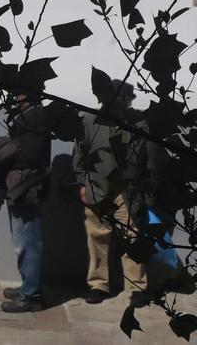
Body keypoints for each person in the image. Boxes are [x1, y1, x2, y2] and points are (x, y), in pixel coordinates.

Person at [0, 94, 51, 313]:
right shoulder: (28, 117)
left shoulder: (36, 118)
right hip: (20, 188)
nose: (13, 97)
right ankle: (28, 287)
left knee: (28, 244)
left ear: (28, 94)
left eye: (18, 92)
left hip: (26, 189)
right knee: (23, 242)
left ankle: (31, 296)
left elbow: (31, 156)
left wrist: (5, 152)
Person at [73, 80, 149, 306]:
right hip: (97, 188)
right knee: (97, 238)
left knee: (133, 237)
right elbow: (79, 154)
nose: (120, 105)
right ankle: (98, 285)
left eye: (124, 100)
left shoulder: (139, 124)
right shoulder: (89, 121)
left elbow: (148, 158)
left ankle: (138, 287)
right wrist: (82, 184)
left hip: (128, 191)